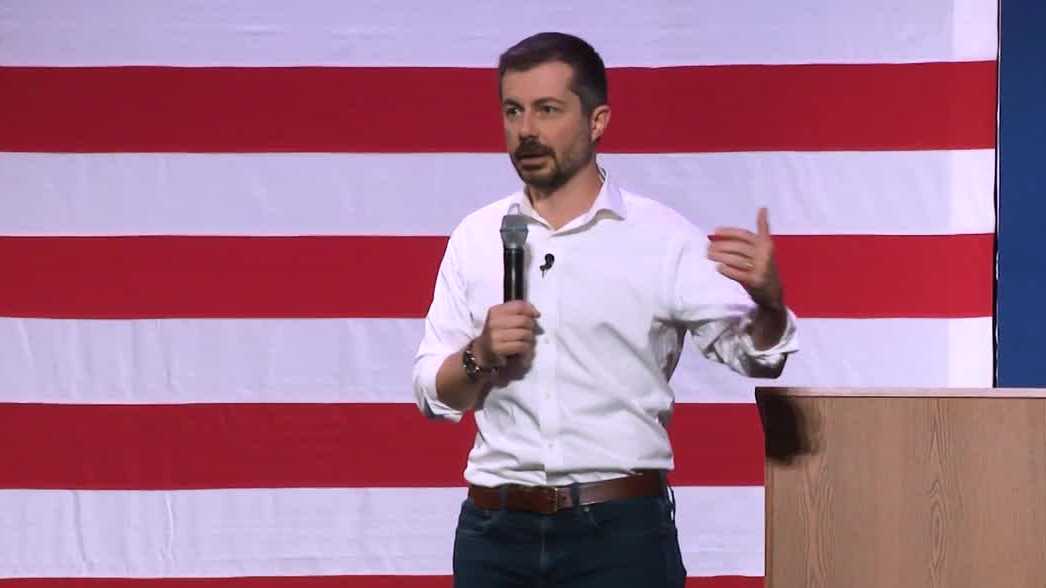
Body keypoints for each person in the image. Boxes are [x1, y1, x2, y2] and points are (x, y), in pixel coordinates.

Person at [412, 32, 798, 588]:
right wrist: (480, 354)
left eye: (547, 110)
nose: (526, 130)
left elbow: (757, 356)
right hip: (494, 535)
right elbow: (432, 391)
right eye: (513, 111)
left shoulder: (661, 237)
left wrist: (768, 302)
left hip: (619, 537)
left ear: (597, 122)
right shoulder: (476, 238)